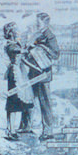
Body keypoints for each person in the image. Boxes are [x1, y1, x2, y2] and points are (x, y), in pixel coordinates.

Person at [25, 11, 60, 139]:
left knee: (45, 103)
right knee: (28, 99)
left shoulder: (50, 37)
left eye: (38, 22)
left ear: (45, 23)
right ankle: (26, 126)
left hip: (43, 75)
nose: (36, 24)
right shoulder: (36, 35)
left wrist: (42, 48)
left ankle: (48, 131)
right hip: (33, 73)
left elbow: (56, 54)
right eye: (36, 22)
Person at [2, 22, 32, 140]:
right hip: (14, 73)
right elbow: (20, 52)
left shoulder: (16, 44)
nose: (18, 31)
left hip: (19, 73)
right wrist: (29, 46)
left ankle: (11, 130)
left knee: (15, 102)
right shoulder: (11, 45)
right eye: (16, 30)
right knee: (12, 102)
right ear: (11, 33)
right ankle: (10, 130)